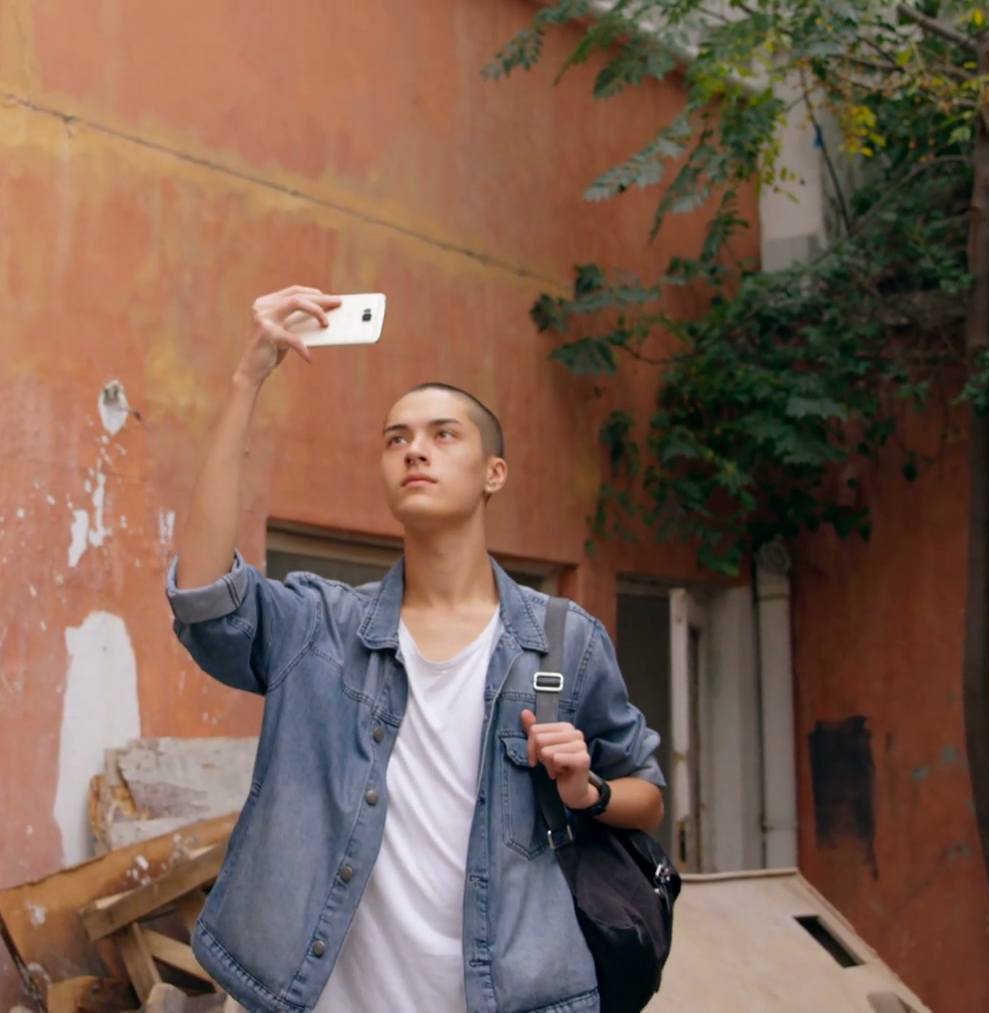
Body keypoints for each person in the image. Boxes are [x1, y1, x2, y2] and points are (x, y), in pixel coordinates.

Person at [167, 285, 667, 1013]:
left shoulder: (563, 640)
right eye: (396, 438)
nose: (415, 451)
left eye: (443, 434)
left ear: (494, 472)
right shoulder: (322, 627)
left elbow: (646, 797)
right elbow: (206, 599)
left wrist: (587, 792)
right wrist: (248, 379)